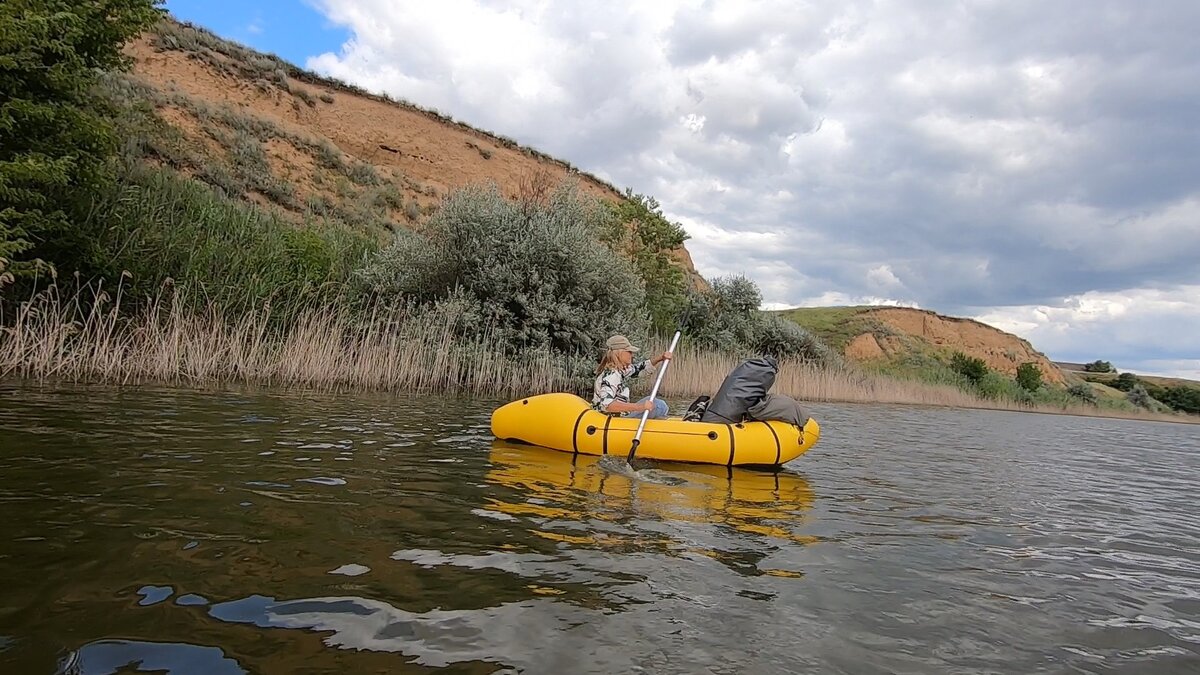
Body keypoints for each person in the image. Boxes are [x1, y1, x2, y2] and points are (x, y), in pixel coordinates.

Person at [592, 335, 672, 419]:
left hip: (620, 417)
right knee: (659, 405)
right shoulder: (612, 375)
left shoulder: (621, 370)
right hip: (614, 421)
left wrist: (660, 358)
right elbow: (607, 405)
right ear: (619, 353)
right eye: (629, 352)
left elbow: (639, 369)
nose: (632, 355)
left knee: (655, 402)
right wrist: (640, 407)